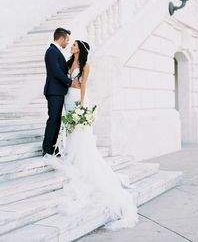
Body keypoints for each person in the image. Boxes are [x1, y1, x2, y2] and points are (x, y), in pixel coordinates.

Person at [44, 39, 138, 230]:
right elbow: (65, 78)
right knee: (70, 129)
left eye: (74, 46)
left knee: (80, 132)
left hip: (78, 100)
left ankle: (79, 158)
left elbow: (83, 85)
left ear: (81, 49)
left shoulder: (86, 66)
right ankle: (69, 152)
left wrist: (81, 104)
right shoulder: (69, 63)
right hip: (67, 98)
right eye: (71, 45)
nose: (71, 47)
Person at [43, 27, 80, 156]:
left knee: (57, 120)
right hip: (54, 91)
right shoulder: (52, 51)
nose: (67, 43)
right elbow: (56, 71)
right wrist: (70, 82)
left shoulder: (55, 51)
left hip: (58, 91)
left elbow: (61, 70)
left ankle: (53, 147)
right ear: (62, 38)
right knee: (53, 119)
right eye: (67, 40)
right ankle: (47, 149)